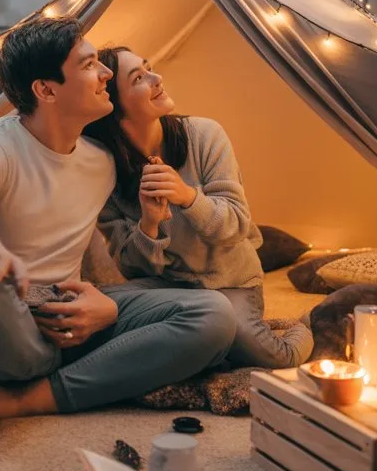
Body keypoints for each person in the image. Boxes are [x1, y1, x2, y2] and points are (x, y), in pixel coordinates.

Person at [0, 16, 237, 430]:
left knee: (215, 316)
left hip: (64, 318)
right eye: (89, 65)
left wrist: (108, 307)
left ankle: (29, 399)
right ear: (46, 90)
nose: (106, 72)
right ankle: (54, 374)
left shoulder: (102, 162)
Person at [84, 47, 314, 370]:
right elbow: (132, 270)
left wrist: (188, 197)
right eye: (138, 78)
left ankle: (309, 324)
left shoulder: (204, 135)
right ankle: (205, 345)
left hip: (231, 283)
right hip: (172, 289)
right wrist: (148, 225)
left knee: (274, 356)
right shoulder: (105, 172)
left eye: (148, 68)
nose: (156, 78)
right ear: (115, 109)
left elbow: (236, 225)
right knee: (100, 312)